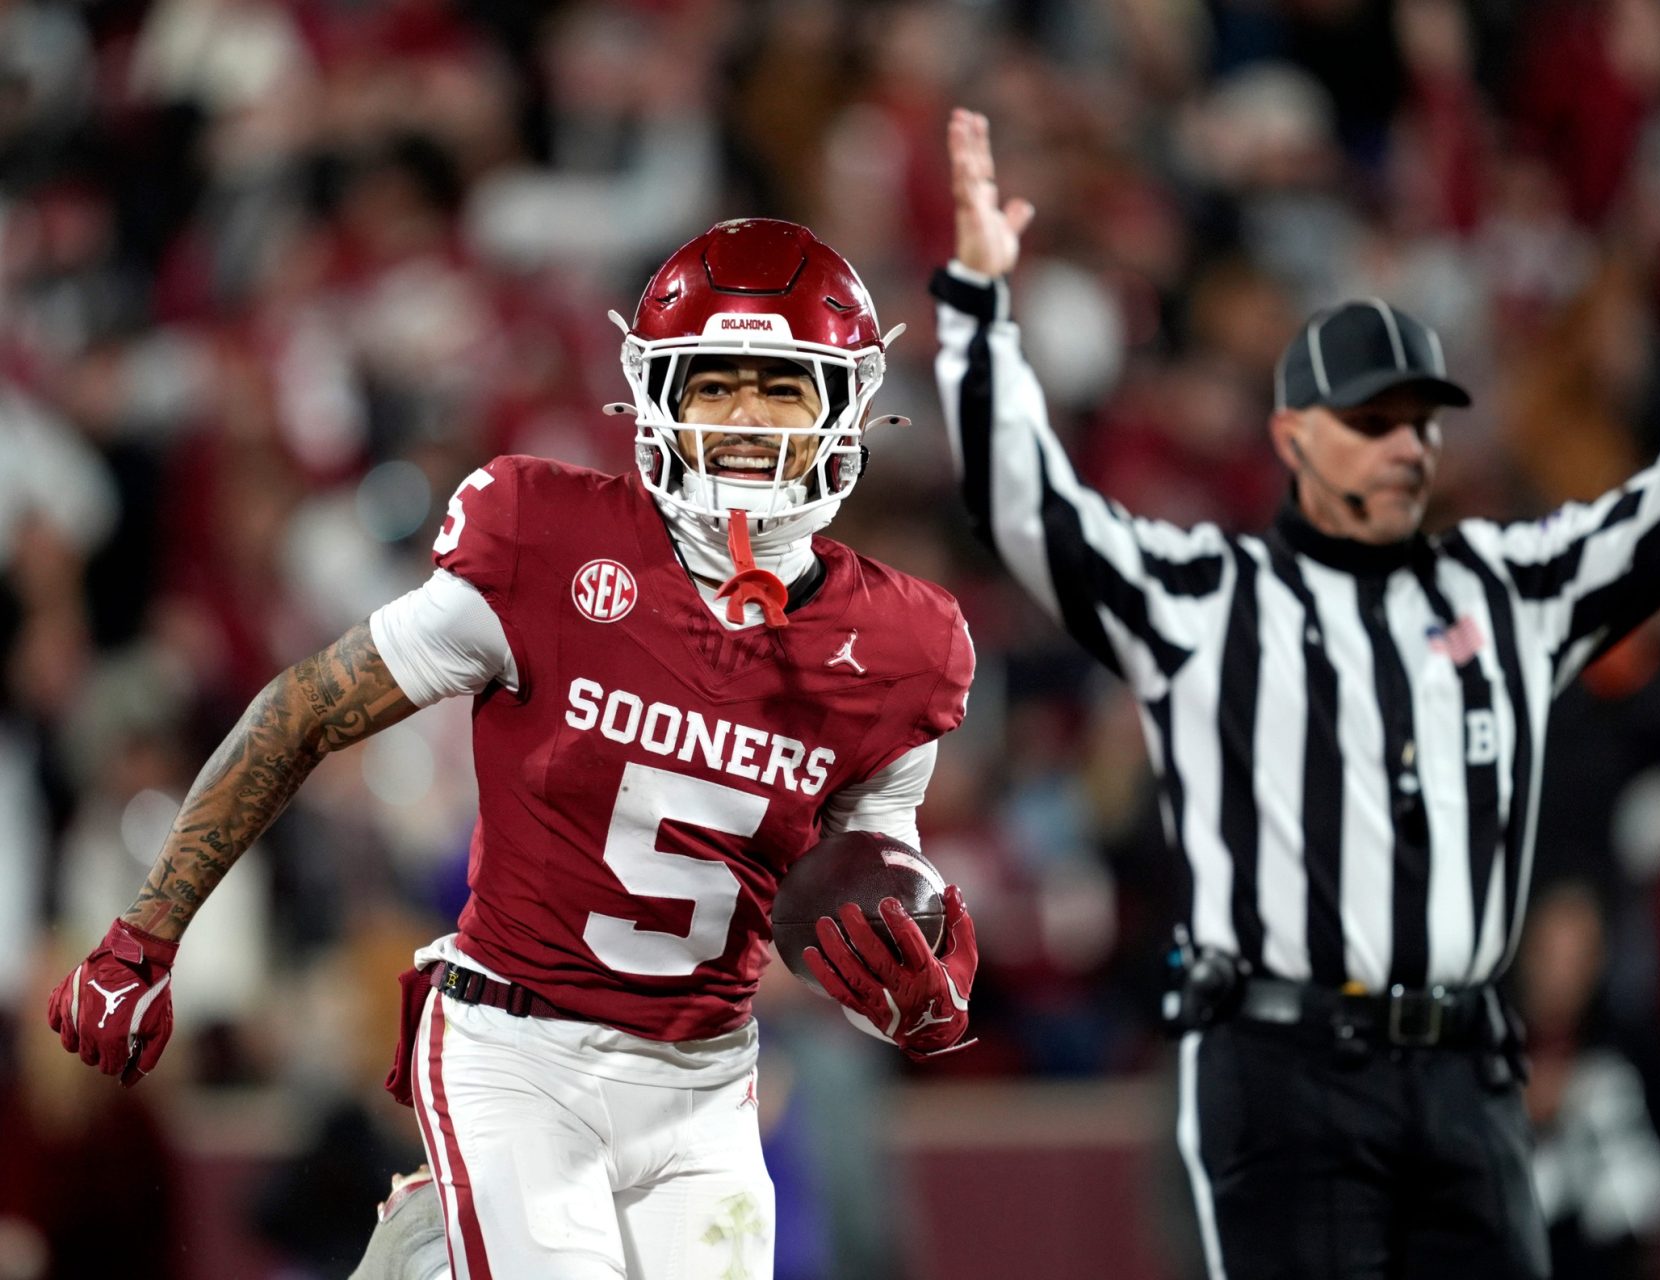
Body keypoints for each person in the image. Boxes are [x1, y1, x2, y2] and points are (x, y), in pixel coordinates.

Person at [933, 109, 1660, 1279]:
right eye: (1371, 422)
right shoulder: (1207, 595)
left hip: (1465, 1060)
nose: (1407, 446)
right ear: (1290, 436)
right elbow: (1032, 506)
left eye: (1421, 421)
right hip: (1281, 1069)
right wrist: (976, 308)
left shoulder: (1510, 587)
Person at [47, 217, 981, 1280]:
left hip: (708, 1075)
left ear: (845, 410)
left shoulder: (907, 646)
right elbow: (309, 706)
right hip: (519, 1048)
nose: (745, 419)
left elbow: (874, 864)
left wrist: (929, 961)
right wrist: (146, 930)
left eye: (781, 385)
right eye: (712, 384)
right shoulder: (545, 539)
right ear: (655, 400)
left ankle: (436, 1257)